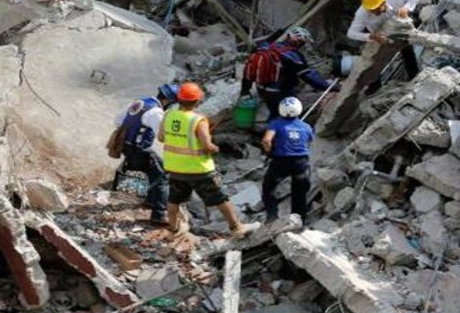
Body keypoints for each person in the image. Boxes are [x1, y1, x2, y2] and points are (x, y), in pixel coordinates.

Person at [157, 83, 260, 238]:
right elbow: (207, 146)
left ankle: (173, 229)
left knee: (174, 199)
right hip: (199, 170)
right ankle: (236, 228)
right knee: (220, 198)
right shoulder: (198, 120)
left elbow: (161, 137)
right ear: (198, 100)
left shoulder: (169, 115)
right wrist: (215, 149)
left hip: (175, 168)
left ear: (179, 99)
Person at [241, 26, 335, 122]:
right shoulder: (293, 55)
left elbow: (251, 65)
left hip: (261, 88)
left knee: (274, 112)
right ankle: (281, 133)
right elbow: (308, 75)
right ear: (298, 42)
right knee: (288, 116)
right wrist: (328, 87)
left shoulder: (266, 47)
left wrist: (244, 90)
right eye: (302, 43)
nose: (302, 45)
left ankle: (271, 130)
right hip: (280, 92)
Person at [116, 84, 179, 225]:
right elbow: (162, 136)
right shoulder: (156, 112)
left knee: (155, 172)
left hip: (126, 146)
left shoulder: (140, 102)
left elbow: (118, 121)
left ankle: (150, 201)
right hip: (140, 149)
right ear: (168, 101)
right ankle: (159, 215)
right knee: (163, 176)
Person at [347, 0, 427, 81]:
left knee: (407, 51)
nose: (375, 12)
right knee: (374, 61)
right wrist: (370, 36)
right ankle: (374, 88)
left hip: (397, 28)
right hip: (379, 36)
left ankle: (413, 76)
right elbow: (351, 33)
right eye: (372, 11)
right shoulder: (361, 13)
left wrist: (406, 7)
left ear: (383, 2)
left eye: (377, 9)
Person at [261, 97, 313, 224]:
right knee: (299, 193)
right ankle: (299, 220)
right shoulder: (306, 127)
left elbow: (266, 140)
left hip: (281, 161)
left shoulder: (276, 123)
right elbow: (309, 141)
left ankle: (272, 216)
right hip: (301, 162)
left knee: (268, 188)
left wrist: (269, 152)